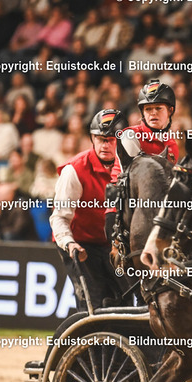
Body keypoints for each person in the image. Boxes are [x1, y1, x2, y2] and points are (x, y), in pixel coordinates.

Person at [50, 109, 129, 311]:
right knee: (93, 302)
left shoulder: (130, 168)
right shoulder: (74, 170)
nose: (105, 145)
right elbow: (59, 217)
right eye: (100, 139)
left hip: (112, 244)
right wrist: (69, 243)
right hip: (79, 243)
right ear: (92, 139)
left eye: (110, 140)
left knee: (125, 299)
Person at [105, 79, 180, 244]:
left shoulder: (172, 144)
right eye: (148, 109)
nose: (153, 113)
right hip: (123, 208)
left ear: (170, 110)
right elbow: (138, 178)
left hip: (155, 206)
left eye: (158, 108)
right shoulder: (130, 135)